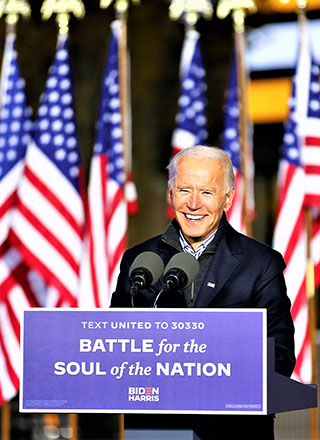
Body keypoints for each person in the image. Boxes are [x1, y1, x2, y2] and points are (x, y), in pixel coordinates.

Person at [111, 145, 295, 439]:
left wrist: (212, 372)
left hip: (235, 429)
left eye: (207, 192)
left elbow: (281, 355)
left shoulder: (261, 264)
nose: (194, 204)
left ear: (228, 198)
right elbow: (115, 345)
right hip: (159, 429)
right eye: (184, 190)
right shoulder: (139, 261)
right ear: (170, 194)